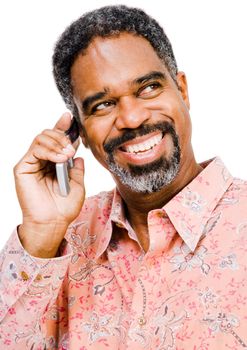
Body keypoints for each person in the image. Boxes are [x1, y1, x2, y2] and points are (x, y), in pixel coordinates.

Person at [0, 4, 247, 349]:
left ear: (182, 91)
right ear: (80, 133)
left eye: (148, 88)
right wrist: (41, 235)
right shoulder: (61, 244)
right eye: (102, 105)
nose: (131, 118)